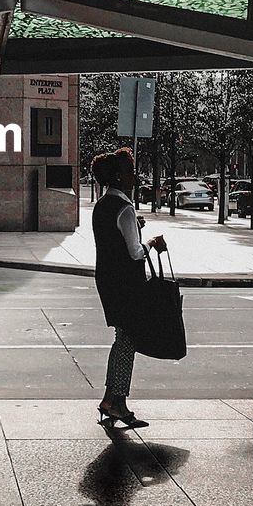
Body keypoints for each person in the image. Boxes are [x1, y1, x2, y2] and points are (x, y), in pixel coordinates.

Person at [90, 147, 165, 430]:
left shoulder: (102, 204)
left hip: (107, 280)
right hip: (126, 282)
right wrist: (152, 242)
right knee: (128, 341)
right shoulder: (124, 207)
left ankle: (110, 398)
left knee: (122, 337)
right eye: (130, 171)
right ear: (120, 176)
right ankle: (118, 402)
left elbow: (113, 237)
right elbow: (134, 252)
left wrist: (135, 225)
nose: (134, 177)